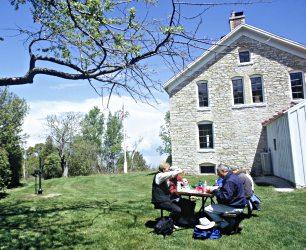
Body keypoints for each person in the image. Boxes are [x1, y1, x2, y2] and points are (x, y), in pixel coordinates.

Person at [204, 164, 247, 230]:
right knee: (210, 206)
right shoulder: (232, 176)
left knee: (207, 208)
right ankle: (229, 222)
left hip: (235, 206)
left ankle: (224, 225)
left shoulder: (229, 180)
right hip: (238, 204)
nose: (218, 174)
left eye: (218, 172)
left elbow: (225, 197)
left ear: (223, 171)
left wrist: (215, 191)